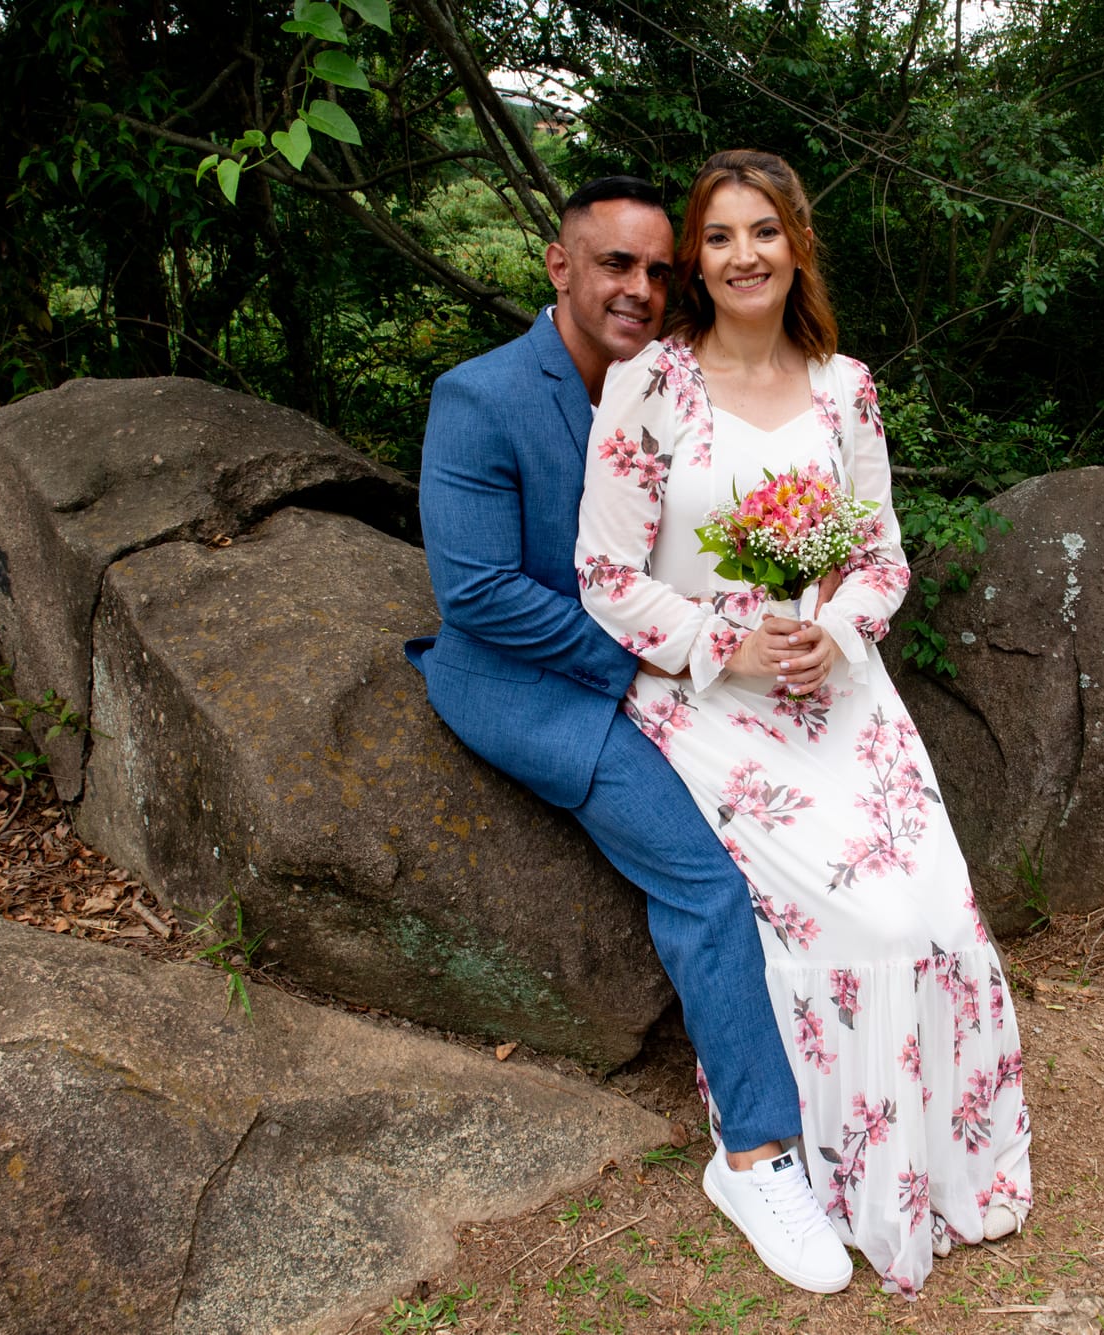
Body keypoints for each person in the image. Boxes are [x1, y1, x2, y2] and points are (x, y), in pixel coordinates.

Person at [574, 150, 1033, 1297]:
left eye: (763, 232)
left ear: (797, 246)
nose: (744, 256)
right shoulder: (649, 386)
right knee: (863, 917)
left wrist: (836, 631)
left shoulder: (843, 386)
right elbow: (603, 575)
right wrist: (723, 643)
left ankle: (943, 1165)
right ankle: (797, 1167)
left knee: (935, 910)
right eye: (719, 236)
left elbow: (879, 556)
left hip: (838, 687)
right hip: (705, 697)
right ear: (696, 258)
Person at [405, 177, 853, 1294]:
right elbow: (476, 592)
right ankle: (756, 1156)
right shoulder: (481, 397)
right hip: (546, 688)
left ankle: (863, 1083)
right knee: (705, 880)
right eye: (616, 264)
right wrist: (654, 661)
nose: (641, 289)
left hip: (680, 663)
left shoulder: (683, 382)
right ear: (560, 266)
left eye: (660, 270)